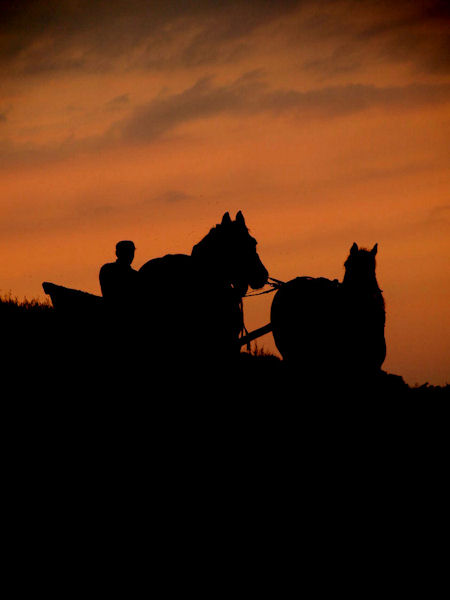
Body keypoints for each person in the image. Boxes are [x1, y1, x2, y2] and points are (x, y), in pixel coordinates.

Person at [99, 240, 139, 310]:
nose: (130, 255)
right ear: (117, 253)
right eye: (126, 252)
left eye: (131, 252)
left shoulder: (135, 275)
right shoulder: (108, 269)